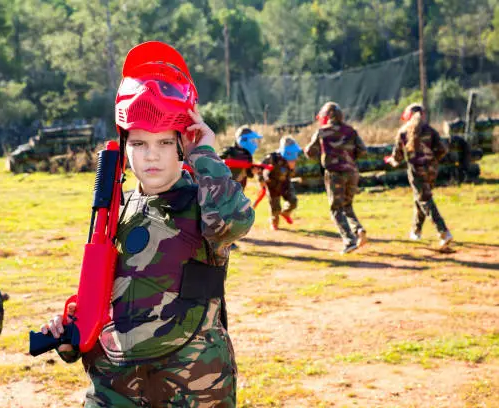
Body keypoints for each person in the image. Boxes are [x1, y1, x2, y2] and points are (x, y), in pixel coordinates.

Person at [40, 41, 254, 407]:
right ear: (124, 146)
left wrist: (204, 150)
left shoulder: (203, 202)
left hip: (192, 384)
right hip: (115, 381)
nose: (151, 155)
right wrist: (70, 334)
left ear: (182, 146)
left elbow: (236, 221)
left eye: (164, 143)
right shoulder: (114, 210)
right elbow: (105, 295)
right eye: (138, 143)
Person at [385, 103, 453, 250]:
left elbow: (397, 156)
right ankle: (416, 231)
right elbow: (443, 149)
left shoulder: (403, 131)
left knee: (424, 199)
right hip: (432, 169)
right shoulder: (430, 130)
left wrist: (392, 161)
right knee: (421, 198)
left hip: (416, 170)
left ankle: (443, 232)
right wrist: (433, 160)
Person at [304, 102, 367, 254]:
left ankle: (349, 240)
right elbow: (363, 151)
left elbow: (310, 152)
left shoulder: (322, 132)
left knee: (336, 209)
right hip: (352, 172)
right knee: (347, 205)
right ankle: (358, 230)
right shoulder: (351, 131)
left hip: (334, 174)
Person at [257, 135, 301, 230]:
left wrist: (292, 167)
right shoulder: (272, 157)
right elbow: (260, 167)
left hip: (285, 184)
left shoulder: (293, 158)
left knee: (293, 201)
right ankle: (274, 223)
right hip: (272, 185)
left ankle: (285, 212)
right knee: (275, 208)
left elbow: (291, 172)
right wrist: (261, 180)